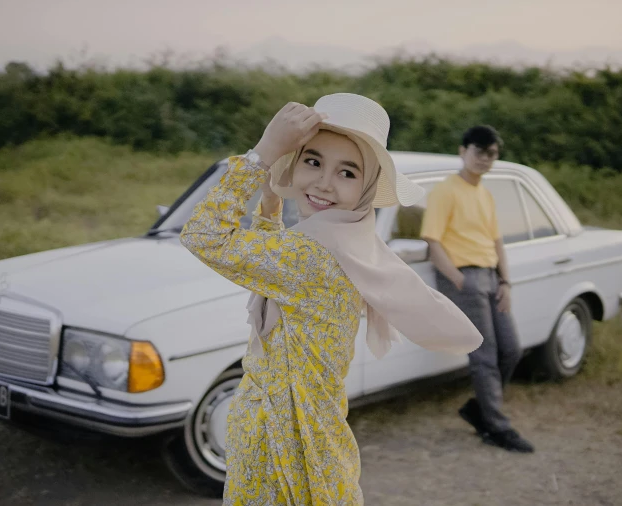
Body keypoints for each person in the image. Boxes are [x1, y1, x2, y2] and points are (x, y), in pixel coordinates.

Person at [180, 93, 483, 505]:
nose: (324, 182)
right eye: (313, 161)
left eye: (347, 172)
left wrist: (264, 152)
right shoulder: (346, 242)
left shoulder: (311, 257)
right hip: (294, 432)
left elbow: (203, 234)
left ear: (368, 187)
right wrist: (271, 203)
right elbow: (274, 272)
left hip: (282, 442)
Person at [420, 125, 535, 454]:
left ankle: (479, 409)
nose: (484, 159)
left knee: (511, 350)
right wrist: (458, 279)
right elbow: (432, 241)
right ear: (463, 151)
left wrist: (506, 281)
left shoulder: (484, 193)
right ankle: (497, 427)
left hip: (491, 276)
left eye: (491, 153)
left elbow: (496, 241)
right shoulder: (446, 191)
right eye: (479, 151)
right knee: (484, 356)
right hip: (464, 276)